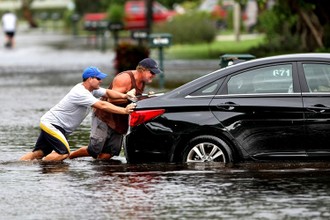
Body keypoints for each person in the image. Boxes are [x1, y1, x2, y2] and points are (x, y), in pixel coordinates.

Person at [19, 66, 136, 161]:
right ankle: (43, 168)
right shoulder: (80, 93)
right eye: (98, 78)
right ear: (90, 79)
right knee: (63, 153)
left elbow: (108, 93)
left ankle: (20, 165)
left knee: (39, 153)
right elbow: (102, 105)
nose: (101, 81)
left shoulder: (91, 90)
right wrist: (124, 111)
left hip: (53, 124)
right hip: (53, 124)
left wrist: (125, 95)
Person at [69, 58, 161, 160]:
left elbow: (133, 99)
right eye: (152, 72)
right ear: (142, 70)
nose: (154, 75)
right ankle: (70, 156)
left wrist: (144, 98)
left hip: (120, 118)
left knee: (109, 153)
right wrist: (132, 99)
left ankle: (98, 173)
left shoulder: (142, 81)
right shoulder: (124, 78)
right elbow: (111, 100)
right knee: (94, 150)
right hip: (104, 116)